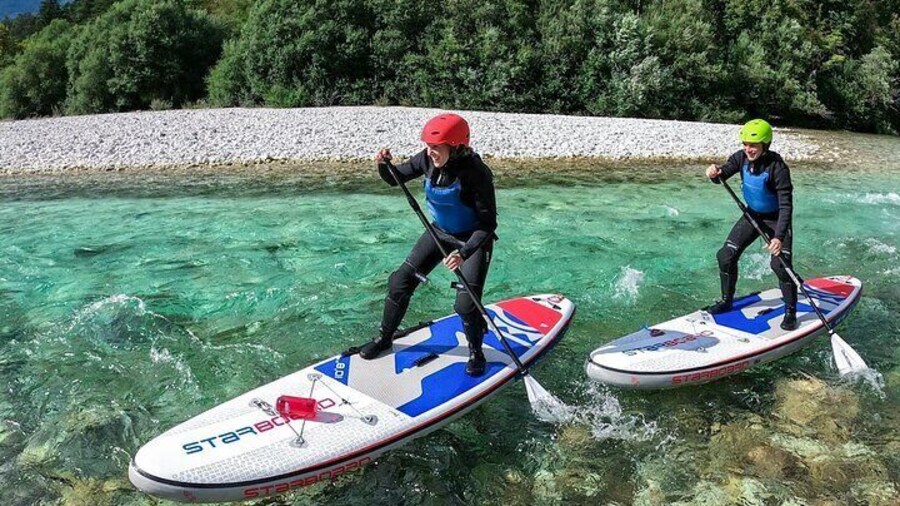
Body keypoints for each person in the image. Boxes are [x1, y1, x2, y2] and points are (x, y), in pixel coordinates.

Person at [359, 113, 498, 376]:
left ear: (456, 146)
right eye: (429, 146)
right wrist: (383, 165)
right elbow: (395, 178)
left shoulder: (477, 173)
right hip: (439, 234)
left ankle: (476, 351)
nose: (430, 151)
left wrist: (464, 253)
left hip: (472, 241)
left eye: (436, 147)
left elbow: (488, 225)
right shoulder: (426, 158)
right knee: (399, 282)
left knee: (465, 306)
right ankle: (385, 338)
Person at [705, 119, 798, 330]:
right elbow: (723, 174)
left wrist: (779, 237)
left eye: (753, 145)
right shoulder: (741, 158)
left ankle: (790, 311)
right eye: (745, 143)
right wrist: (714, 173)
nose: (748, 149)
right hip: (753, 215)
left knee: (780, 266)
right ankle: (727, 301)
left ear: (765, 145)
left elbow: (786, 206)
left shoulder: (778, 168)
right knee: (725, 256)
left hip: (776, 220)